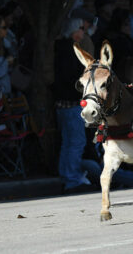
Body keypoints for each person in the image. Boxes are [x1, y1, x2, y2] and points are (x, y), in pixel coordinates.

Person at [53, 17, 93, 193]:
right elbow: (72, 78)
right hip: (71, 102)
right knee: (76, 141)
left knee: (68, 142)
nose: (83, 33)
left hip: (62, 102)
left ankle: (66, 176)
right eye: (81, 29)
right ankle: (71, 179)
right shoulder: (70, 50)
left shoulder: (59, 48)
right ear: (74, 30)